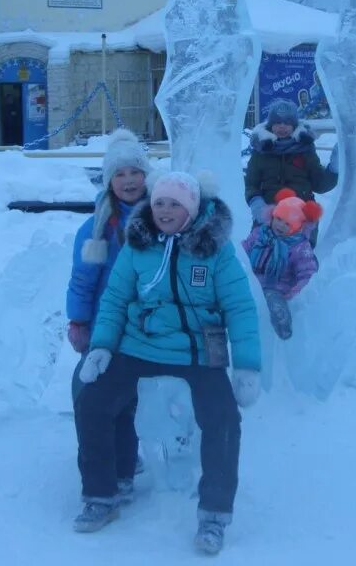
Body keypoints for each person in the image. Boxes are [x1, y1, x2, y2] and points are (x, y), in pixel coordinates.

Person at [74, 171, 261, 555]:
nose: (164, 210)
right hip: (139, 345)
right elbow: (115, 298)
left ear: (191, 208)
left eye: (174, 203)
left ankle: (214, 513)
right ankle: (102, 493)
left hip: (196, 351)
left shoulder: (215, 250)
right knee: (92, 399)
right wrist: (102, 346)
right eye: (159, 202)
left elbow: (240, 308)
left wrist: (246, 366)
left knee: (223, 419)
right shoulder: (137, 244)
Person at [67, 129, 153, 506]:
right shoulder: (99, 227)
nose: (129, 180)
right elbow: (83, 280)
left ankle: (126, 463)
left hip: (152, 325)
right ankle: (110, 467)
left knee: (130, 399)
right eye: (120, 174)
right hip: (108, 325)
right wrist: (79, 321)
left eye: (136, 172)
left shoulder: (165, 215)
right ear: (109, 181)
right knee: (88, 392)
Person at [245, 99, 338, 227]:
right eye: (277, 122)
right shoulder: (261, 151)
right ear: (270, 125)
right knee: (260, 246)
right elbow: (251, 183)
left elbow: (320, 184)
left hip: (300, 218)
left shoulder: (305, 150)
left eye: (287, 122)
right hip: (268, 217)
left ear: (294, 125)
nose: (282, 126)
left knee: (299, 248)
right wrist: (256, 202)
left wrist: (334, 168)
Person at [243, 188, 322, 338]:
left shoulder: (299, 247)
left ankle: (283, 327)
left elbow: (307, 274)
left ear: (299, 226)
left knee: (273, 300)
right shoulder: (260, 234)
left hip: (279, 289)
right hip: (254, 282)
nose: (280, 225)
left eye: (287, 223)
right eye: (278, 219)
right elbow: (244, 249)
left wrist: (293, 295)